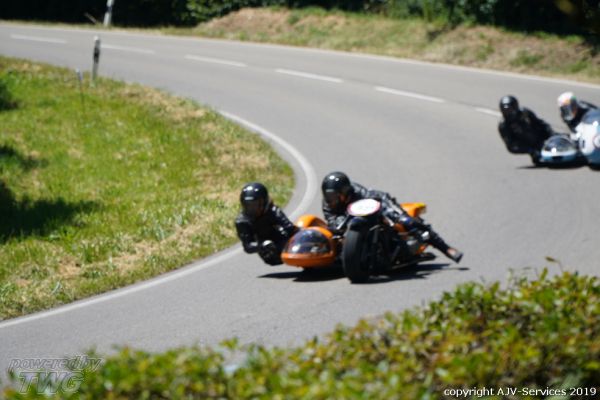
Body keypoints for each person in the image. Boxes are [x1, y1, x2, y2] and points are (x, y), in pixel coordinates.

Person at [321, 171, 463, 263]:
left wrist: (393, 216)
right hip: (350, 220)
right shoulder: (327, 203)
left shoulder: (359, 193)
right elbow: (332, 221)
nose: (330, 199)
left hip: (377, 205)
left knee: (407, 222)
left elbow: (379, 202)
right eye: (327, 195)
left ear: (345, 192)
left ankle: (446, 249)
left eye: (333, 196)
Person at [235, 182, 297, 266]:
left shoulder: (273, 211)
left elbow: (289, 227)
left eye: (255, 205)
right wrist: (262, 245)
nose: (251, 209)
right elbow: (247, 246)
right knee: (271, 256)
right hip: (267, 250)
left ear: (264, 202)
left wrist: (297, 233)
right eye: (248, 205)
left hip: (282, 238)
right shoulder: (242, 221)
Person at [497, 95, 554, 165]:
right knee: (543, 160)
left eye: (509, 110)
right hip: (531, 146)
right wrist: (530, 150)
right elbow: (511, 146)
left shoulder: (525, 112)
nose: (507, 113)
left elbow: (540, 123)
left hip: (543, 138)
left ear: (515, 107)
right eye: (505, 111)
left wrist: (551, 133)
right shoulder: (503, 126)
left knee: (561, 139)